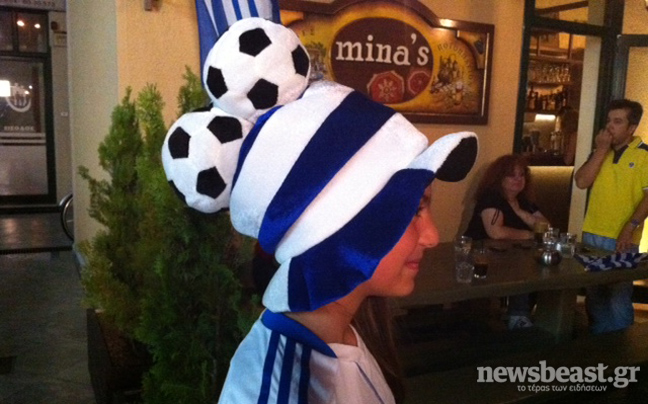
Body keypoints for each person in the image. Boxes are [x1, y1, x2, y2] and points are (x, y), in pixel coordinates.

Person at [160, 18, 479, 404]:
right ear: (340, 229)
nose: (432, 236)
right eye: (413, 210)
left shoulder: (344, 333)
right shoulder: (284, 390)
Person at [574, 98, 647, 334]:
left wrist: (630, 227)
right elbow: (582, 181)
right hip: (592, 233)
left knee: (618, 296)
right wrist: (601, 150)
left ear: (632, 127)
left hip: (622, 237)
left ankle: (623, 349)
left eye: (617, 122)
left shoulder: (644, 155)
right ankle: (599, 347)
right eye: (608, 121)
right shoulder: (600, 152)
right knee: (595, 296)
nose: (609, 127)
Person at [464, 154, 550, 329]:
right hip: (481, 255)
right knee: (524, 265)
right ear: (499, 178)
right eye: (512, 175)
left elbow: (546, 228)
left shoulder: (523, 201)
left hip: (510, 254)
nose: (518, 179)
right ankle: (517, 316)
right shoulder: (491, 197)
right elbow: (496, 232)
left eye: (522, 175)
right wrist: (530, 235)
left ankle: (528, 314)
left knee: (539, 265)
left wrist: (520, 213)